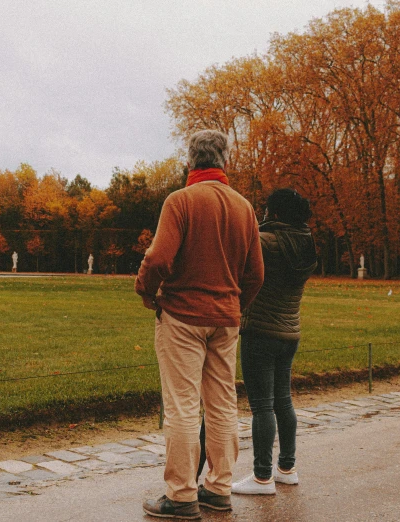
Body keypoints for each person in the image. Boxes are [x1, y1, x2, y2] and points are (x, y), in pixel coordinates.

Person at [136, 129, 264, 519]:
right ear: (225, 160)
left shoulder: (181, 201)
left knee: (182, 407)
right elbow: (256, 273)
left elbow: (158, 258)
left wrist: (146, 292)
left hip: (183, 316)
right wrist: (236, 305)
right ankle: (219, 488)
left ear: (190, 161)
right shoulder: (243, 207)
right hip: (226, 319)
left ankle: (181, 494)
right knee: (223, 403)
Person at [231, 188, 318, 495]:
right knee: (284, 401)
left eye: (266, 209)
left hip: (261, 331)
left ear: (276, 213)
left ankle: (262, 477)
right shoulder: (306, 243)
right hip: (290, 331)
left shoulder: (265, 242)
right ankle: (287, 468)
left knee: (262, 407)